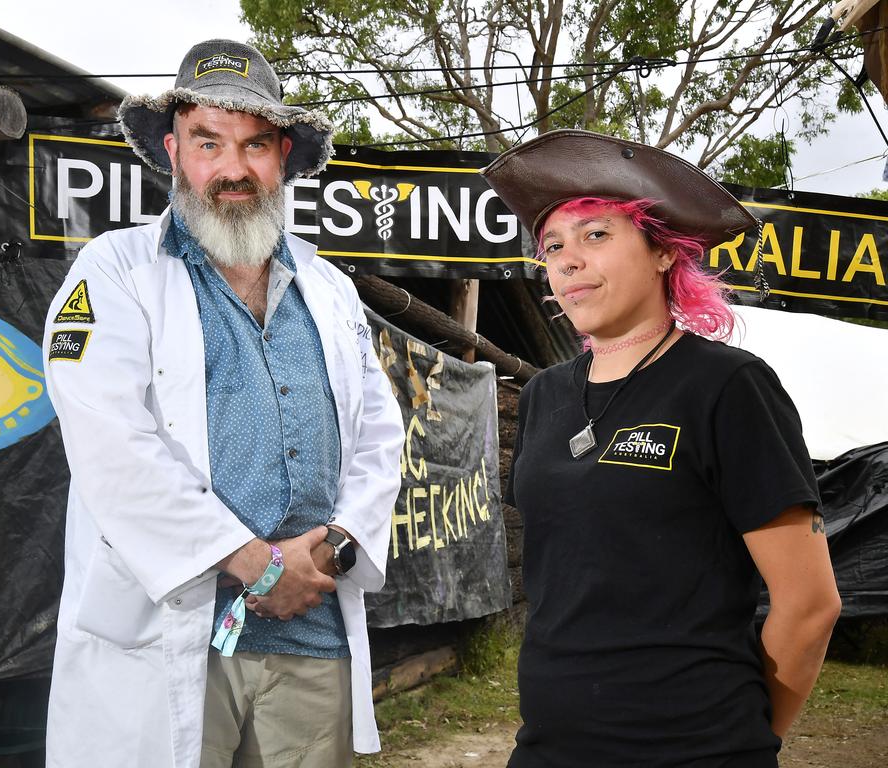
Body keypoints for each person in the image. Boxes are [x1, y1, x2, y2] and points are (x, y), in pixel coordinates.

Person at [42, 40, 405, 768]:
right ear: (174, 151)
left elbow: (379, 436)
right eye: (209, 142)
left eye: (254, 145)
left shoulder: (331, 289)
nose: (232, 168)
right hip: (169, 635)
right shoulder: (112, 272)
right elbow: (111, 445)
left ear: (285, 156)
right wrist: (252, 561)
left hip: (312, 635)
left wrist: (332, 551)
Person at [481, 130, 841, 767]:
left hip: (694, 749)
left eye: (597, 235)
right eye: (554, 246)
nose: (568, 261)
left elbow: (810, 604)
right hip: (549, 746)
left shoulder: (727, 387)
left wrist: (748, 739)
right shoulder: (543, 396)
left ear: (663, 253)